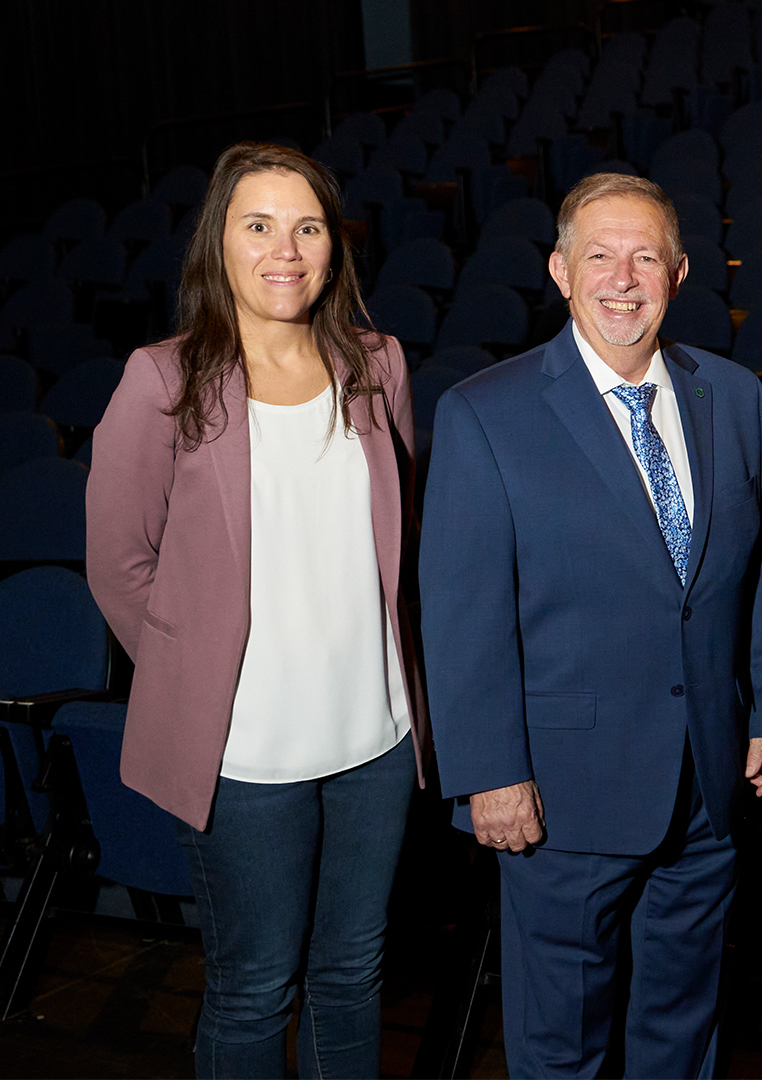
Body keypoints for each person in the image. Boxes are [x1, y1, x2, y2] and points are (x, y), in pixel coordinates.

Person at [418, 172, 762, 1078]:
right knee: (562, 1046)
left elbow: (759, 574)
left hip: (709, 782)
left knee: (684, 1027)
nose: (622, 278)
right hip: (561, 793)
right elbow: (463, 615)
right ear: (559, 270)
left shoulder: (734, 396)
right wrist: (490, 775)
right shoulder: (485, 413)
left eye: (644, 257)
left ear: (678, 272)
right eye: (599, 255)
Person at [87, 142, 425, 1078]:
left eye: (307, 226)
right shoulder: (162, 381)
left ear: (334, 245)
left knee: (353, 974)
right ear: (220, 246)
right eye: (260, 225)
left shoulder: (379, 364)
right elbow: (118, 565)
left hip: (377, 742)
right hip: (244, 758)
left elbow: (403, 538)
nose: (287, 249)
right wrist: (198, 686)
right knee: (254, 987)